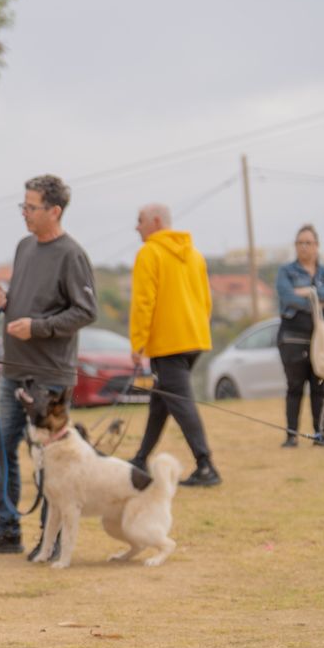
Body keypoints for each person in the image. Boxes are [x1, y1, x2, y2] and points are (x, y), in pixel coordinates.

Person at [0, 175, 97, 556]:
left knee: (51, 459)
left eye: (31, 207)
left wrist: (38, 328)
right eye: (23, 206)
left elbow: (85, 310)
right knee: (1, 450)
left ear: (54, 211)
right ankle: (8, 530)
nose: (24, 213)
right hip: (11, 368)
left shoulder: (72, 254)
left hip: (49, 376)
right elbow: (34, 299)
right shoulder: (25, 246)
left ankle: (52, 536)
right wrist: (7, 302)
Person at [128, 203, 221, 487]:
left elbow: (144, 301)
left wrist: (137, 343)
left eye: (140, 220)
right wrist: (198, 328)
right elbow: (206, 300)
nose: (136, 226)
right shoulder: (194, 255)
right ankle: (141, 458)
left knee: (181, 404)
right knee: (161, 402)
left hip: (168, 343)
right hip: (194, 338)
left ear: (156, 221)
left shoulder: (149, 252)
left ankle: (206, 465)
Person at [275, 224, 324, 446]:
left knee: (321, 386)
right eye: (300, 243)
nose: (304, 247)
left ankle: (322, 434)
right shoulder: (286, 271)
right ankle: (291, 436)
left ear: (317, 245)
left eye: (308, 243)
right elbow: (287, 297)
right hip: (293, 338)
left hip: (322, 338)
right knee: (295, 387)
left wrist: (308, 292)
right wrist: (315, 301)